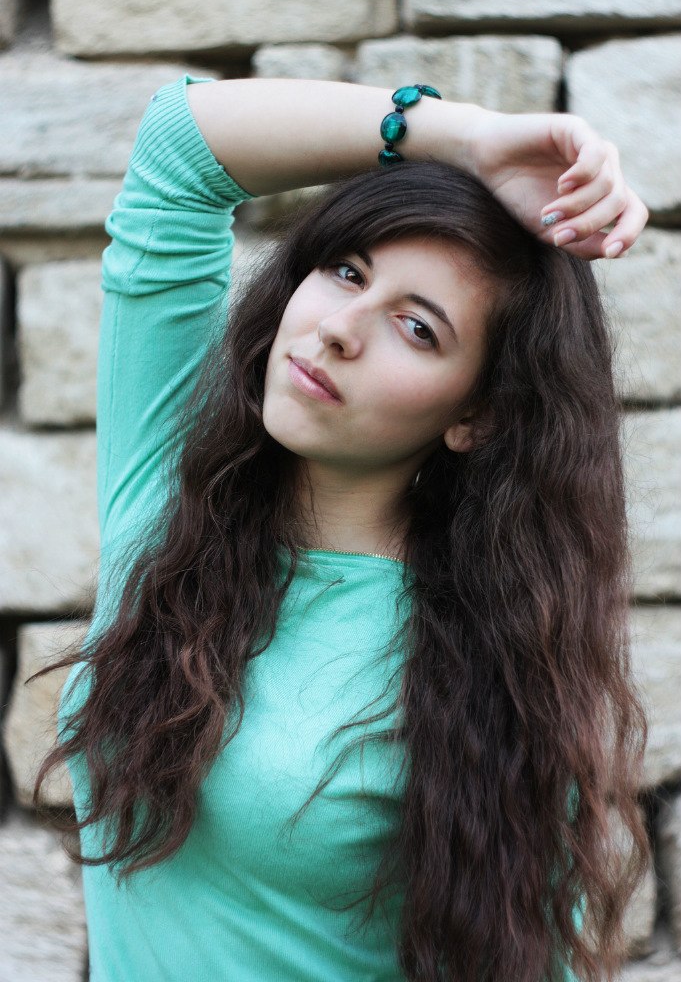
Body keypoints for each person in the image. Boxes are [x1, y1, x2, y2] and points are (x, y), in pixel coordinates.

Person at [32, 74, 650, 982]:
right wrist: (467, 137)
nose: (338, 330)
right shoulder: (170, 501)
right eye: (346, 271)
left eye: (416, 328)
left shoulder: (490, 667)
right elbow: (179, 147)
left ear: (475, 415)